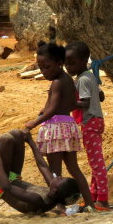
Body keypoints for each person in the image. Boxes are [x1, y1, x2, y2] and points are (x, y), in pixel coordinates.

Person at [25, 42, 96, 210]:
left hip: (55, 130)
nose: (43, 71)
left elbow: (55, 108)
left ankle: (60, 208)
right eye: (40, 68)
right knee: (75, 169)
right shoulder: (68, 80)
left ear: (59, 63)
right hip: (68, 126)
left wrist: (35, 122)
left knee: (55, 172)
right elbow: (71, 104)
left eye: (46, 67)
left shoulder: (57, 82)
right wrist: (49, 107)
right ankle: (90, 204)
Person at [0, 130, 82, 215]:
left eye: (60, 179)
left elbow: (5, 186)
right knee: (17, 134)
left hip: (0, 185)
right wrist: (30, 142)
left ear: (56, 190)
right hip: (13, 179)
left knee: (6, 139)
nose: (59, 176)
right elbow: (42, 165)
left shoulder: (37, 200)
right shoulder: (54, 191)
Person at [64, 42, 110, 210]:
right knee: (94, 163)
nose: (68, 67)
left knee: (97, 164)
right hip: (95, 121)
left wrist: (65, 104)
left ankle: (103, 200)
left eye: (72, 62)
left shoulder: (82, 79)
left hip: (90, 122)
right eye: (66, 63)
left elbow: (84, 102)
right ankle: (93, 196)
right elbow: (101, 96)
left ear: (84, 61)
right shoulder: (90, 76)